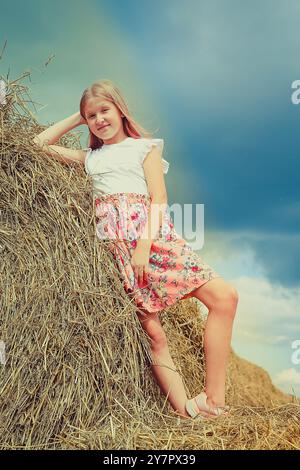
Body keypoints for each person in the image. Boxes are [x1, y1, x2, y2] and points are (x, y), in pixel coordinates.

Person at [33, 79, 239, 420]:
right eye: (91, 115)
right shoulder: (91, 158)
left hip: (153, 240)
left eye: (104, 110)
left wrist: (144, 247)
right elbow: (38, 144)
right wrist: (76, 117)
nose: (99, 119)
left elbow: (159, 199)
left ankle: (214, 399)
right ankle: (187, 412)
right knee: (155, 335)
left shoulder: (146, 148)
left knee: (225, 296)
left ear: (120, 109)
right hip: (117, 252)